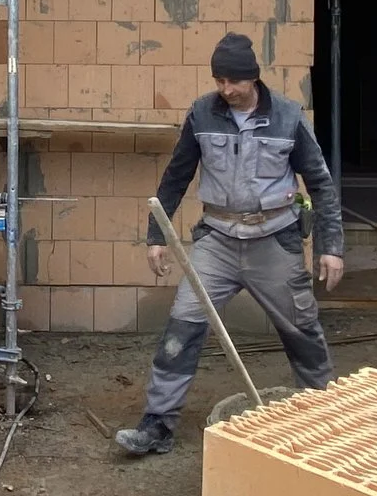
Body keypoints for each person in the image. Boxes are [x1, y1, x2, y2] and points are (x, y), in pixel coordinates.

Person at [115, 31, 344, 456]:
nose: (226, 89)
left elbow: (321, 185)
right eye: (219, 80)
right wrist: (156, 235)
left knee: (302, 330)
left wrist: (331, 245)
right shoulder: (203, 114)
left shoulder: (288, 117)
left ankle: (324, 418)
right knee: (180, 330)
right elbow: (176, 175)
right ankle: (157, 426)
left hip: (273, 239)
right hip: (217, 242)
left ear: (253, 79)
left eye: (234, 81)